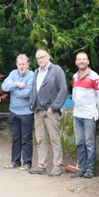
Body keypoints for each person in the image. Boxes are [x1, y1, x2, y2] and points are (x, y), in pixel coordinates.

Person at [29, 48, 67, 176]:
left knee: (54, 138)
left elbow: (63, 90)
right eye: (38, 58)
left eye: (42, 57)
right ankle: (41, 165)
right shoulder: (36, 72)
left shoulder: (56, 70)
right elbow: (34, 89)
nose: (40, 60)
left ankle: (57, 166)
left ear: (48, 56)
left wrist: (54, 107)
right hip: (38, 110)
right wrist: (32, 105)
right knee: (40, 139)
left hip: (50, 111)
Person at [71, 51, 99, 179]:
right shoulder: (75, 76)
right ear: (76, 62)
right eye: (79, 59)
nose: (81, 61)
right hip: (77, 114)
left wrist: (95, 109)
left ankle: (90, 169)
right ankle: (82, 168)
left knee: (90, 143)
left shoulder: (94, 77)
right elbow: (74, 95)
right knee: (80, 142)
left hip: (89, 115)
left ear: (88, 61)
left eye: (84, 59)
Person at [1, 54, 34, 170]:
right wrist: (17, 84)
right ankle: (15, 161)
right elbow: (4, 87)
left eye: (23, 64)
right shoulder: (13, 73)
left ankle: (27, 163)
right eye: (19, 64)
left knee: (26, 138)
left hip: (26, 112)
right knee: (15, 138)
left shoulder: (31, 75)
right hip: (13, 111)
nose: (21, 66)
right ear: (17, 64)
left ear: (28, 65)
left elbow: (27, 93)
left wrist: (13, 91)